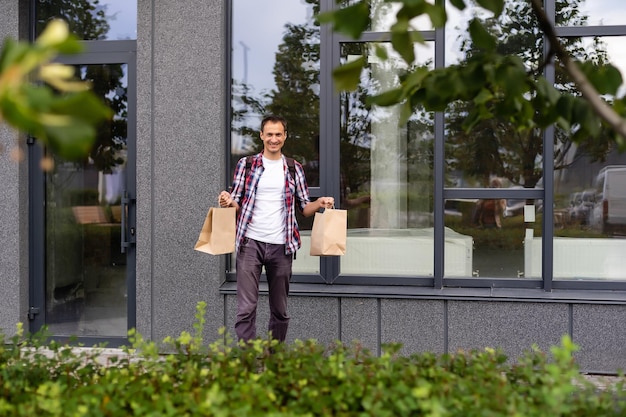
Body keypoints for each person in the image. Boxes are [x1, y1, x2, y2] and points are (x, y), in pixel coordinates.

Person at [218, 115, 334, 343]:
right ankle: (247, 361)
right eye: (269, 134)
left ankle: (274, 359)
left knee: (280, 310)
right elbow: (237, 201)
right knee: (246, 309)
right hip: (250, 243)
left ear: (285, 136)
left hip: (282, 246)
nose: (273, 139)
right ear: (261, 136)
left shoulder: (293, 168)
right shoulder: (247, 165)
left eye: (278, 134)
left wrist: (319, 203)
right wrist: (227, 200)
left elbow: (304, 207)